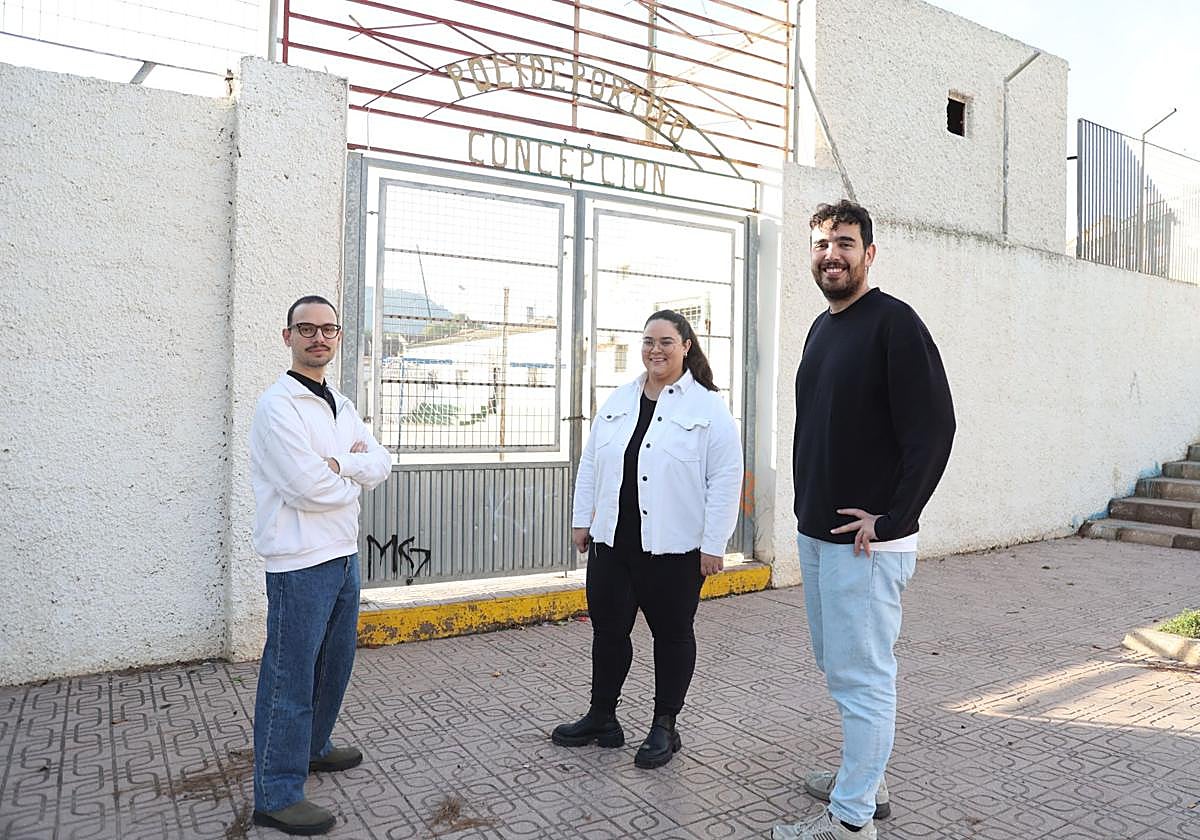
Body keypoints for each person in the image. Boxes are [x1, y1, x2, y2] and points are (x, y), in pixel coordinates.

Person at [773, 201, 956, 840]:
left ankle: (851, 821)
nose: (832, 254)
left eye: (845, 243)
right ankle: (865, 779)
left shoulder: (895, 324)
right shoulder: (822, 328)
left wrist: (896, 518)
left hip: (865, 546)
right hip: (818, 533)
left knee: (863, 676)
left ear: (869, 254)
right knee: (839, 666)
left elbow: (934, 429)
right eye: (822, 243)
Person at [552, 310, 743, 769]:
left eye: (665, 342)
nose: (655, 350)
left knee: (672, 635)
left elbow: (726, 477)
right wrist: (583, 521)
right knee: (608, 632)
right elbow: (592, 464)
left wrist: (714, 543)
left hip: (674, 549)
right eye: (648, 342)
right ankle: (603, 717)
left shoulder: (707, 407)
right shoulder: (618, 399)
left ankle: (664, 726)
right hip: (612, 544)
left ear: (686, 347)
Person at [249, 295, 391, 836]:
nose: (318, 338)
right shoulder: (277, 407)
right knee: (289, 677)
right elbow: (307, 488)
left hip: (342, 553)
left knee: (335, 665)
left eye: (328, 329)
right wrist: (344, 472)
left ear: (337, 338)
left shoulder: (340, 401)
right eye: (306, 329)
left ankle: (313, 747)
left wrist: (342, 463)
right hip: (298, 560)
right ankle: (276, 793)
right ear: (287, 337)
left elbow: (381, 462)